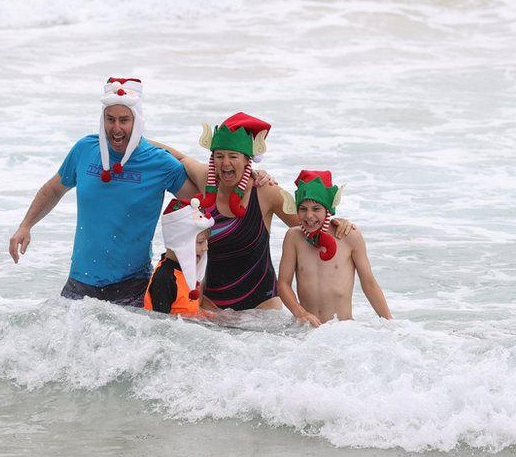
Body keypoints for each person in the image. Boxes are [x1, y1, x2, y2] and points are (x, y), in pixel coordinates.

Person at [8, 78, 199, 307]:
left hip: (131, 287)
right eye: (110, 119)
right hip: (78, 284)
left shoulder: (159, 163)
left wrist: (247, 178)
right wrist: (26, 225)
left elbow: (201, 200)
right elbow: (54, 189)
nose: (116, 128)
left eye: (124, 120)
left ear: (137, 122)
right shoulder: (85, 149)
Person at [153, 113, 353, 312]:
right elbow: (179, 157)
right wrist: (136, 138)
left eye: (233, 156)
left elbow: (307, 224)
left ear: (248, 160)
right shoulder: (207, 180)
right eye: (219, 156)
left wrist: (336, 222)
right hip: (214, 308)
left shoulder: (266, 191)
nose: (225, 163)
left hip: (262, 309)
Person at [277, 170, 392, 325]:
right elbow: (283, 284)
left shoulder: (348, 235)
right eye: (303, 209)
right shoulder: (294, 237)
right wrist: (301, 313)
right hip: (305, 328)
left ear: (328, 210)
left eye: (316, 209)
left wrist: (390, 324)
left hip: (340, 328)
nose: (309, 216)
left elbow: (369, 283)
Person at [144, 197, 214, 316]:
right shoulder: (164, 279)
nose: (205, 248)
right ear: (179, 241)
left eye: (206, 241)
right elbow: (159, 327)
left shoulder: (188, 271)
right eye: (200, 242)